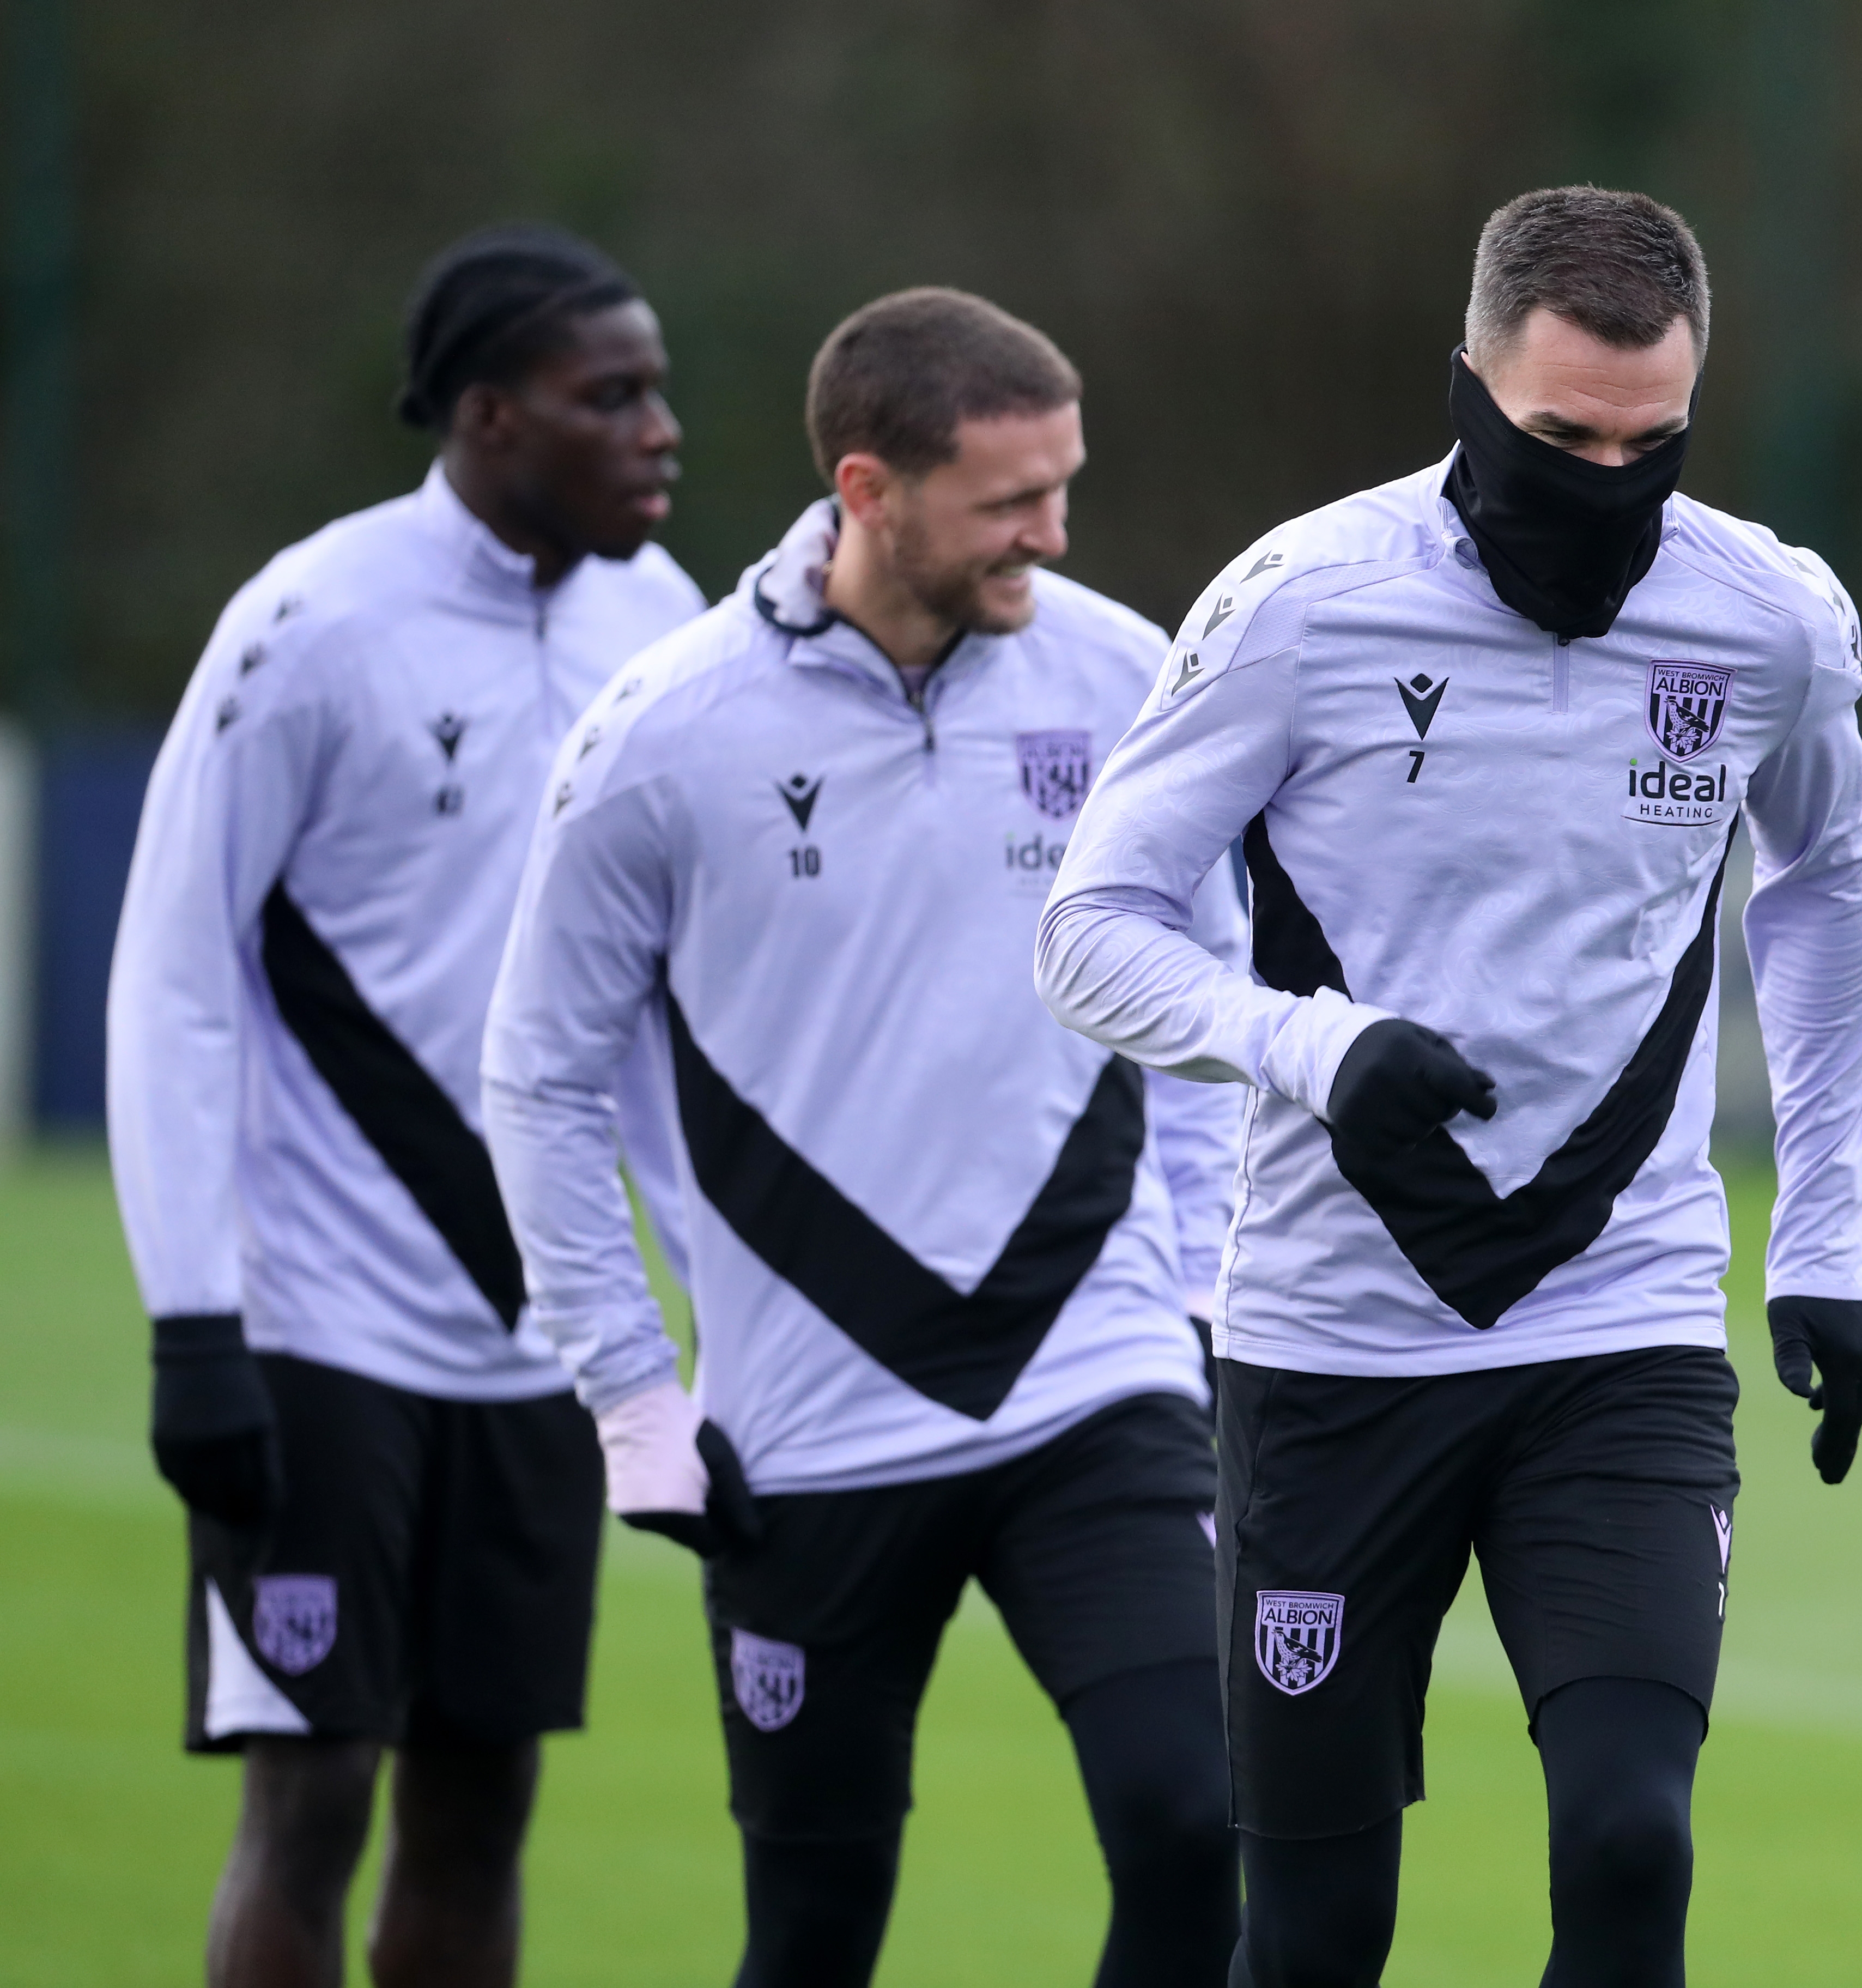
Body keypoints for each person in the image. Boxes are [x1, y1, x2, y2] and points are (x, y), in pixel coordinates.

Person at [1036, 186, 1862, 1987]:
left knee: (1632, 1839)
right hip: (1332, 1351)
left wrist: (1827, 1232)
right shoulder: (1300, 603)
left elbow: (1826, 879)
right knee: (1321, 1930)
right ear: (1470, 393)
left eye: (1650, 446)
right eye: (1562, 438)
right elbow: (1091, 927)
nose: (1605, 482)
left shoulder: (1770, 620)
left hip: (1625, 1323)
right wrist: (1317, 1046)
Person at [482, 287, 1245, 1988]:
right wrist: (627, 1391)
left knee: (1204, 1828)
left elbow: (1213, 1017)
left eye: (1067, 485)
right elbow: (537, 1076)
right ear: (868, 488)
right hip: (807, 1431)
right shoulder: (661, 737)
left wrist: (1202, 1302)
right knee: (816, 1933)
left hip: (1097, 1383)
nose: (1054, 533)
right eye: (1010, 500)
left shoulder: (1132, 679)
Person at [106, 225, 702, 1988]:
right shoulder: (311, 624)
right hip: (318, 1330)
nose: (663, 428)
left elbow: (665, 1012)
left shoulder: (658, 630)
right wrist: (193, 1326)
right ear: (491, 418)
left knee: (480, 1805)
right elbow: (174, 971)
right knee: (314, 1799)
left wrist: (708, 1304)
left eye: (661, 388)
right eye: (617, 397)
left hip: (541, 1347)